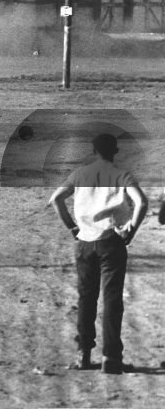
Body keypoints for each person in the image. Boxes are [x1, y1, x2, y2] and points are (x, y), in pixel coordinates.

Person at [49, 132, 147, 374]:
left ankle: (83, 355)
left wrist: (72, 226)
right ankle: (111, 358)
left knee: (86, 298)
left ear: (93, 151)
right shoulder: (121, 174)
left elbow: (56, 199)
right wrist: (131, 230)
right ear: (115, 151)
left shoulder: (80, 174)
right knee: (112, 300)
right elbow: (142, 203)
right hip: (111, 241)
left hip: (84, 241)